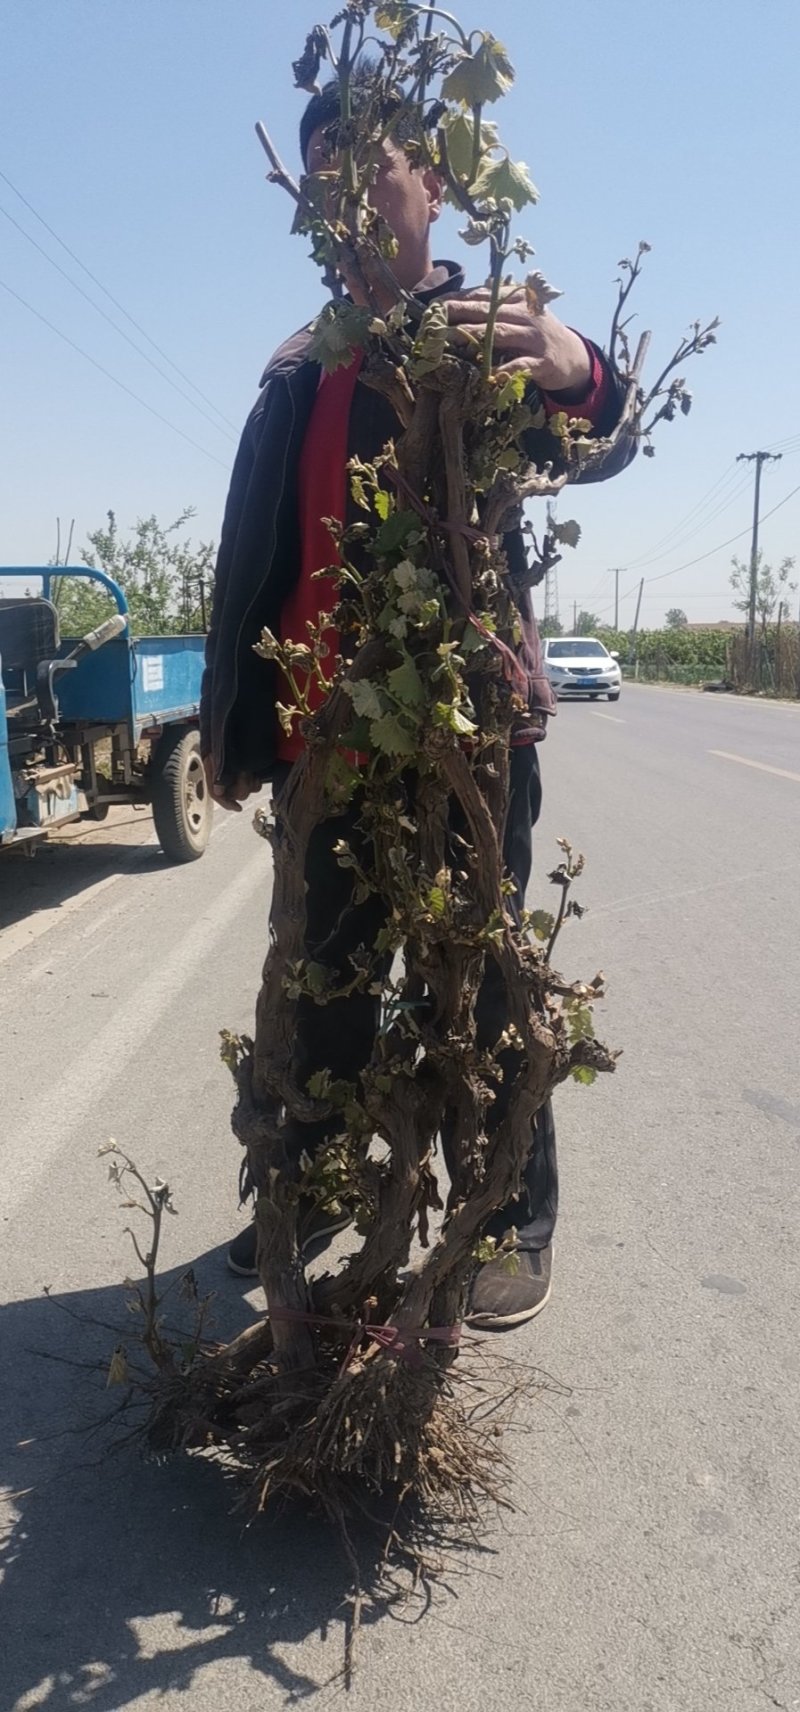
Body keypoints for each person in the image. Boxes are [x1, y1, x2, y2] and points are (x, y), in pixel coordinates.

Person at [200, 77, 634, 1329]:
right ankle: (323, 1190)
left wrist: (579, 368)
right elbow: (254, 556)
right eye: (318, 173)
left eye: (366, 167)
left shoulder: (482, 326)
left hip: (460, 735)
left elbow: (593, 445)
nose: (339, 194)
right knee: (324, 983)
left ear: (432, 182)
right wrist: (236, 721)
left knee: (485, 976)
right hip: (324, 735)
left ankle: (505, 1218)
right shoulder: (302, 363)